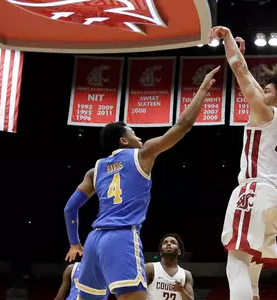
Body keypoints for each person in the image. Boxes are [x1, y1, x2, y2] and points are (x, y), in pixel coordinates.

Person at [62, 66, 221, 300]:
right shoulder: (142, 154)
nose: (139, 137)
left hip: (94, 240)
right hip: (121, 235)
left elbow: (70, 208)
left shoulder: (94, 170)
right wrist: (203, 89)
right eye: (134, 132)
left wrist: (75, 243)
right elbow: (183, 125)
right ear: (123, 140)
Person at [209, 27, 277, 300]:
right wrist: (242, 57)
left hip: (254, 191)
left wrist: (227, 38)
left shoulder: (266, 112)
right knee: (252, 276)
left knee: (236, 261)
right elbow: (250, 81)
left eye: (267, 90)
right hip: (274, 198)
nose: (259, 92)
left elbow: (240, 73)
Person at [146, 234, 194, 300]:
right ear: (160, 252)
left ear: (179, 251)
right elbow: (138, 293)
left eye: (173, 242)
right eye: (165, 243)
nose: (168, 244)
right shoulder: (150, 268)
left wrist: (182, 291)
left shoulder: (186, 274)